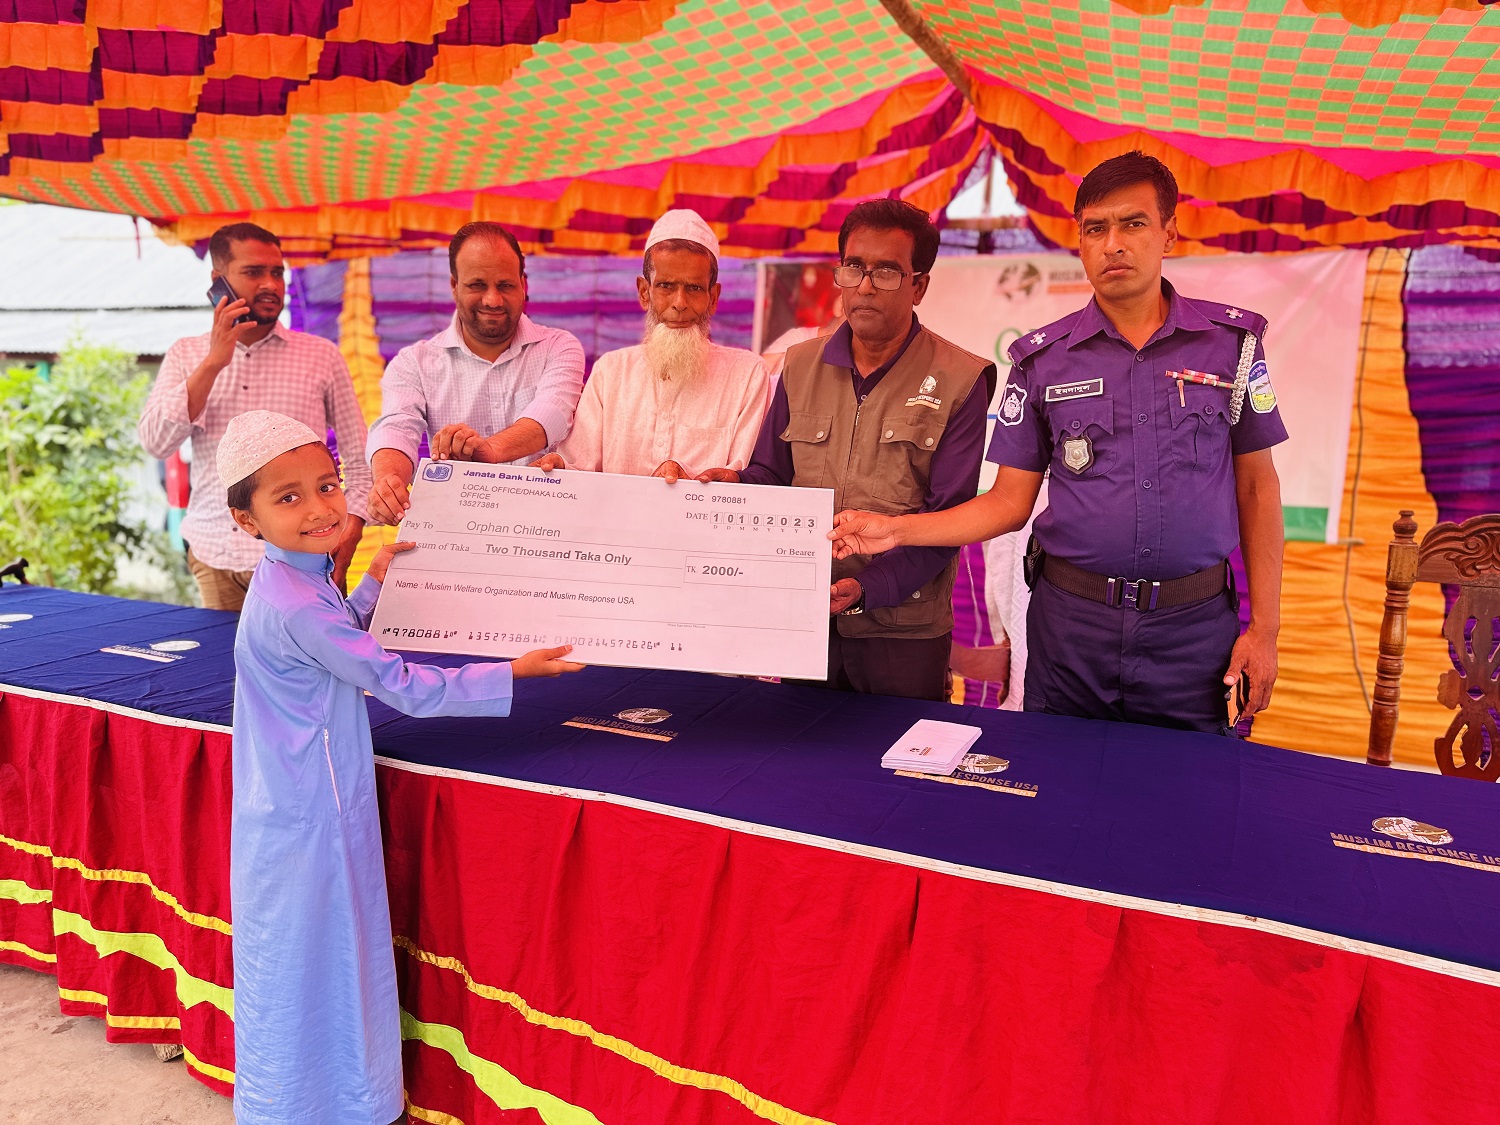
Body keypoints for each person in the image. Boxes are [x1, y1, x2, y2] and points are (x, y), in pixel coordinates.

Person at [829, 151, 1287, 734]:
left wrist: (1265, 630)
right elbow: (1007, 503)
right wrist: (895, 530)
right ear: (1080, 242)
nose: (1113, 244)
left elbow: (1257, 487)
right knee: (1054, 781)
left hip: (1193, 636)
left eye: (1133, 224)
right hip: (1071, 631)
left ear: (1169, 233)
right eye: (1095, 229)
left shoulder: (1230, 345)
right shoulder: (1041, 360)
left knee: (1188, 785)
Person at [222, 410, 582, 1125]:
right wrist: (512, 671)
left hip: (290, 807)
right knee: (327, 961)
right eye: (289, 497)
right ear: (245, 519)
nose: (320, 508)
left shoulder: (291, 577)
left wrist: (370, 583)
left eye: (327, 485)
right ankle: (331, 1105)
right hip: (312, 816)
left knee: (303, 961)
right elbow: (401, 684)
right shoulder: (296, 601)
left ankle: (310, 1101)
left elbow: (335, 640)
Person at [698, 199, 995, 701]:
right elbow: (773, 474)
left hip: (903, 631)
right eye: (854, 267)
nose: (865, 286)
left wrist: (867, 589)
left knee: (898, 751)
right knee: (797, 745)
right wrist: (736, 483)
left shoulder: (961, 379)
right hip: (804, 619)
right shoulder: (799, 365)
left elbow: (949, 522)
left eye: (887, 272)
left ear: (919, 286)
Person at [138, 222, 372, 609]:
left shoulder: (320, 356)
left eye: (277, 272)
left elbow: (361, 462)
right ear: (219, 281)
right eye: (253, 272)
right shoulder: (187, 354)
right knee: (219, 653)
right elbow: (156, 443)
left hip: (305, 560)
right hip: (217, 557)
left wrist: (350, 533)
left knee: (314, 651)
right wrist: (213, 363)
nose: (270, 284)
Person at [366, 222, 585, 525]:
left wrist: (487, 450)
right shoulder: (413, 363)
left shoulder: (559, 347)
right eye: (477, 285)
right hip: (454, 531)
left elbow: (551, 415)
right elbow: (396, 429)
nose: (492, 300)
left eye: (505, 285)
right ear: (454, 285)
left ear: (524, 285)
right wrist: (388, 481)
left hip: (545, 529)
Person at [531, 210, 769, 481]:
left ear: (713, 298)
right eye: (666, 286)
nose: (680, 303)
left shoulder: (747, 374)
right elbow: (578, 464)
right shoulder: (611, 371)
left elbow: (742, 476)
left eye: (694, 288)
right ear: (645, 292)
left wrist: (689, 479)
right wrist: (559, 467)